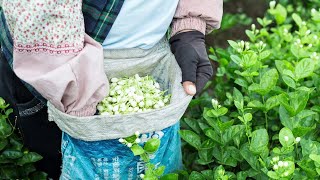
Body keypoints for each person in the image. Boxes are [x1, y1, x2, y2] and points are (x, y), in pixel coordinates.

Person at [0, 0, 223, 179]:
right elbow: (41, 12)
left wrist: (191, 24)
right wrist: (77, 100)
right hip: (56, 77)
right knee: (52, 159)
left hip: (148, 57)